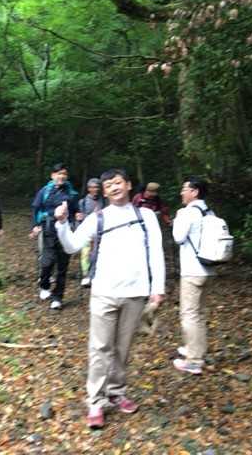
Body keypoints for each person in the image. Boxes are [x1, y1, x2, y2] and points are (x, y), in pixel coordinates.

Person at [54, 168, 165, 429]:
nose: (114, 188)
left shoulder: (146, 216)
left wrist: (157, 288)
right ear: (104, 192)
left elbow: (156, 252)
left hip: (136, 292)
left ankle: (117, 392)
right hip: (104, 292)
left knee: (122, 348)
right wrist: (62, 223)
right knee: (100, 347)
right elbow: (71, 246)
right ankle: (96, 400)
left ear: (128, 185)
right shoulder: (98, 218)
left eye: (118, 183)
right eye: (108, 186)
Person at [171, 176, 216, 375]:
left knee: (189, 314)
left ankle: (194, 361)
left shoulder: (188, 212)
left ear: (195, 192)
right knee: (200, 313)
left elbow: (178, 237)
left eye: (185, 189)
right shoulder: (209, 211)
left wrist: (178, 217)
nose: (181, 192)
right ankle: (196, 349)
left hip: (192, 270)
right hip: (209, 268)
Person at [29, 163, 80, 310]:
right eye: (59, 173)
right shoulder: (45, 191)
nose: (61, 176)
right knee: (47, 262)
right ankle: (44, 285)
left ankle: (58, 297)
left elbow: (75, 210)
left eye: (64, 174)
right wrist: (35, 225)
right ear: (53, 176)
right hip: (48, 230)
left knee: (62, 266)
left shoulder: (71, 193)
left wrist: (78, 215)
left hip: (65, 231)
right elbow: (36, 208)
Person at [76, 178, 106, 287]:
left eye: (97, 187)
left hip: (100, 231)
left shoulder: (105, 201)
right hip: (87, 231)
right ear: (88, 189)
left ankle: (93, 275)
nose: (95, 190)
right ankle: (85, 275)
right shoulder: (83, 202)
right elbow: (79, 217)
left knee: (96, 254)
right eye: (92, 187)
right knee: (85, 254)